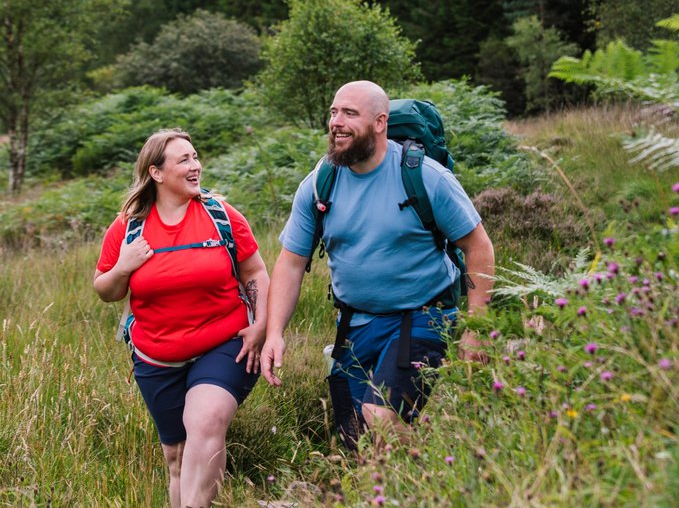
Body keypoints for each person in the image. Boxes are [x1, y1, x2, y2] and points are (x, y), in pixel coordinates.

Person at [260, 80, 494, 446]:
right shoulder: (320, 183)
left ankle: (430, 486)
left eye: (350, 113)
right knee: (355, 438)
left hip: (423, 317)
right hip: (355, 324)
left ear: (380, 122)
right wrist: (275, 332)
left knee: (381, 416)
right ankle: (410, 483)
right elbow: (291, 263)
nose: (336, 122)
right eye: (334, 112)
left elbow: (478, 245)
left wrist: (478, 326)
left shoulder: (424, 177)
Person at [93, 128, 269, 508]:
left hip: (225, 342)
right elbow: (106, 290)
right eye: (184, 160)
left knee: (205, 423)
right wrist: (124, 267)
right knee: (176, 456)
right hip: (156, 357)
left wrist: (261, 325)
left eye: (195, 157)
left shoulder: (219, 214)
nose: (196, 165)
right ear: (156, 173)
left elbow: (254, 272)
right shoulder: (128, 227)